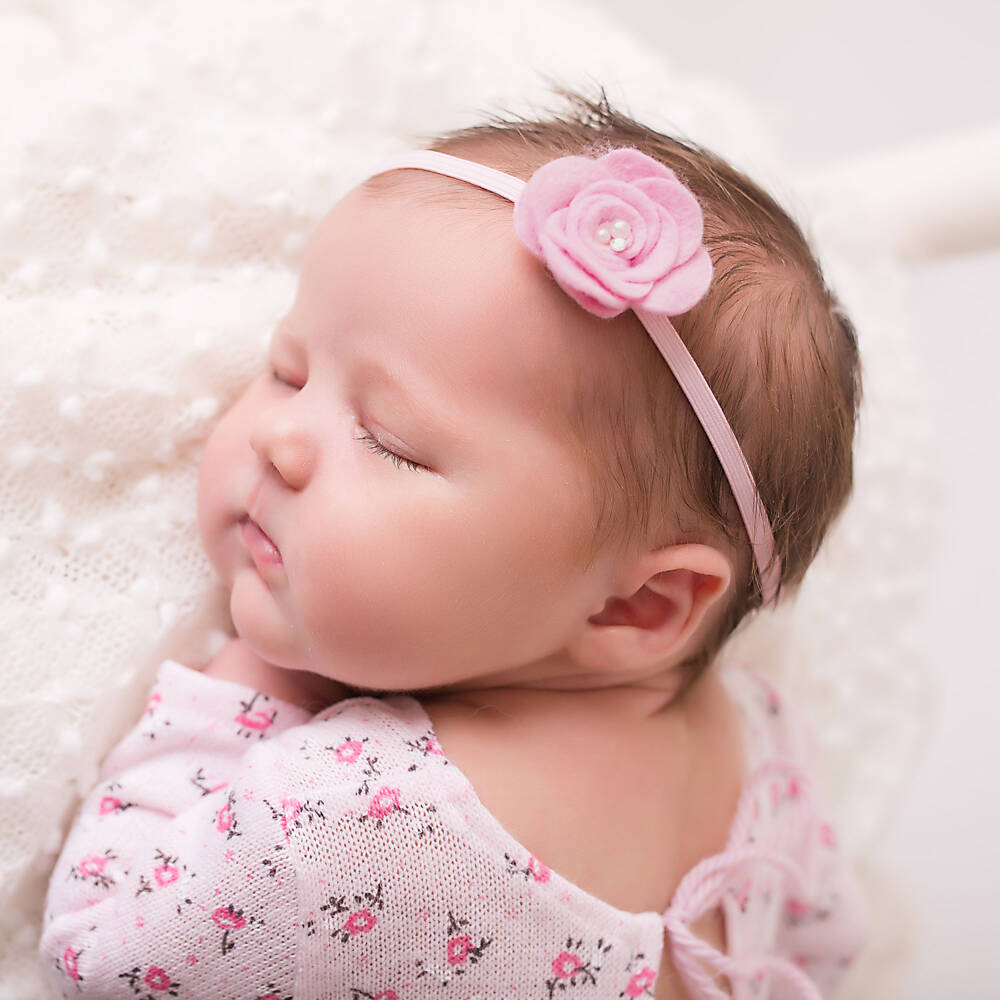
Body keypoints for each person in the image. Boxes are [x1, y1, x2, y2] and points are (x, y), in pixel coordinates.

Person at [38, 86, 866, 999]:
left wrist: (246, 689)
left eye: (388, 439)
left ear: (638, 604)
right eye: (289, 370)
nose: (280, 438)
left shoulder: (349, 822)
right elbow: (825, 953)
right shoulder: (764, 747)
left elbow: (98, 954)